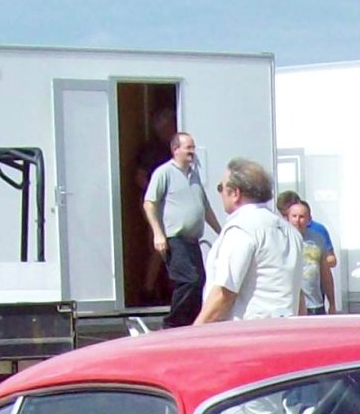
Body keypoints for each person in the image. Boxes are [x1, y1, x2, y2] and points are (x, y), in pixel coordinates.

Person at [195, 160, 297, 323]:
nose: (220, 193)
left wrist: (197, 330)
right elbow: (298, 295)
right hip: (285, 329)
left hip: (246, 332)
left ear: (235, 193)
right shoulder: (290, 232)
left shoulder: (241, 230)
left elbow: (224, 294)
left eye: (221, 188)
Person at [143, 132, 220, 328]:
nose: (192, 151)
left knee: (200, 281)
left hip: (192, 241)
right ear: (175, 149)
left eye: (193, 147)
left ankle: (191, 324)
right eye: (188, 148)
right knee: (189, 280)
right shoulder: (164, 173)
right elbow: (149, 203)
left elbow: (205, 207)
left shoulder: (194, 175)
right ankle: (172, 324)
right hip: (175, 238)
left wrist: (221, 231)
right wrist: (158, 234)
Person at [276, 194, 336, 314]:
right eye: (294, 216)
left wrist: (332, 303)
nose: (297, 221)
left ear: (309, 219)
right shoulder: (278, 239)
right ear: (287, 218)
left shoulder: (317, 239)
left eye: (302, 217)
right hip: (288, 305)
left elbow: (325, 274)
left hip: (314, 304)